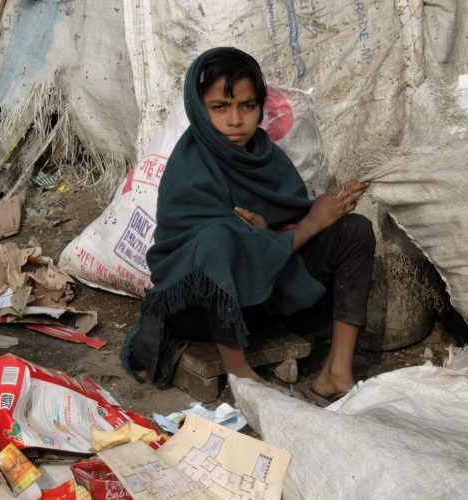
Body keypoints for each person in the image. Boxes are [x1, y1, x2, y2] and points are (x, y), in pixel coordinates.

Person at [122, 47, 374, 405]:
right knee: (218, 241)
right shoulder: (189, 169)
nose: (236, 120)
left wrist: (270, 234)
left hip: (262, 297)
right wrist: (310, 222)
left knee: (354, 230)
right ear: (199, 108)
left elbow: (276, 231)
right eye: (220, 107)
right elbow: (210, 251)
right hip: (201, 314)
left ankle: (336, 373)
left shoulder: (266, 157)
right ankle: (241, 374)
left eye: (247, 106)